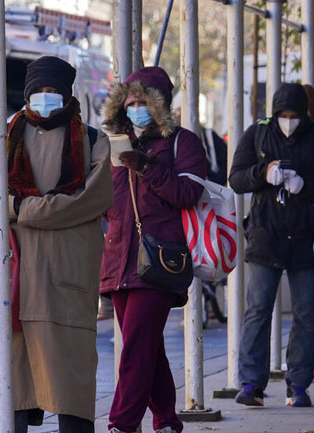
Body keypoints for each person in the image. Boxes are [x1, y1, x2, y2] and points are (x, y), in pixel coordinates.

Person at [0, 56, 113, 433]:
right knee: (10, 395)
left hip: (64, 283)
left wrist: (17, 207)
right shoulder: (1, 136)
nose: (46, 98)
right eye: (39, 91)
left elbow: (89, 200)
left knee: (72, 396)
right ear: (28, 93)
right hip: (11, 283)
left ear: (67, 95)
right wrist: (21, 208)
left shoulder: (92, 141)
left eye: (54, 92)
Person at [100, 66, 207, 433]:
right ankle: (167, 421)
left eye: (142, 101)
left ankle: (122, 424)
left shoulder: (183, 142)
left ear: (159, 104)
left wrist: (148, 168)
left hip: (160, 259)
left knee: (135, 347)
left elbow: (188, 193)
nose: (134, 108)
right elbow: (107, 202)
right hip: (118, 259)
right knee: (146, 346)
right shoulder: (113, 143)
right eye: (129, 101)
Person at [229, 83, 314, 406]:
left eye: (295, 115)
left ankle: (298, 383)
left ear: (304, 115)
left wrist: (305, 185)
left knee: (307, 312)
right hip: (265, 236)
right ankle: (251, 383)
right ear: (274, 113)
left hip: (306, 241)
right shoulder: (258, 133)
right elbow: (236, 178)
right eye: (283, 115)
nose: (289, 120)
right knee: (258, 310)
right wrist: (262, 173)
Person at [171, 93, 228, 186]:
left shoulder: (210, 137)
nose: (180, 116)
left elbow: (225, 164)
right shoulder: (171, 138)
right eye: (177, 112)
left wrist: (213, 184)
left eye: (183, 111)